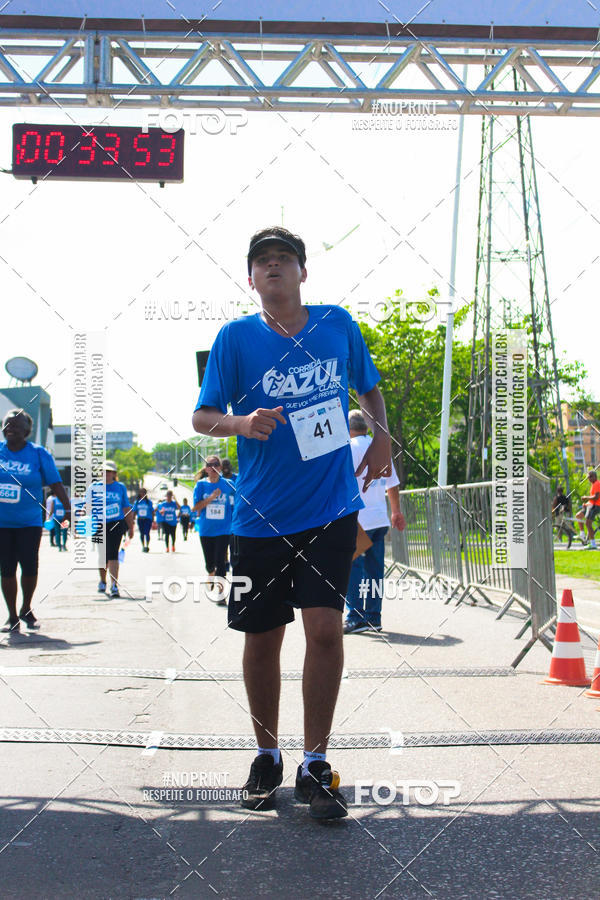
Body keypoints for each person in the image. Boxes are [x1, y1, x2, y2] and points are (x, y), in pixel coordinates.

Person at [192, 226, 391, 820]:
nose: (273, 268)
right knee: (263, 639)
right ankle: (266, 755)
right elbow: (203, 417)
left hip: (329, 510)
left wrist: (381, 441)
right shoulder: (234, 338)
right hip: (259, 517)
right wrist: (242, 423)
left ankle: (315, 763)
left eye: (284, 260)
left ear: (302, 272)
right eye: (262, 262)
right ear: (250, 277)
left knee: (327, 631)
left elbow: (371, 391)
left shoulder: (336, 325)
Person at [0, 409, 71, 633]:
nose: (10, 428)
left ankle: (26, 607)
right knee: (7, 568)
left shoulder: (39, 454)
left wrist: (67, 507)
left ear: (27, 431)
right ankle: (12, 616)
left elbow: (56, 483)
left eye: (16, 425)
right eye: (7, 424)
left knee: (29, 565)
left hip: (29, 522)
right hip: (2, 522)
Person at [344, 410, 405, 633]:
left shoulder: (348, 448)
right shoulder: (381, 448)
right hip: (379, 518)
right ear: (367, 428)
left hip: (358, 520)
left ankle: (356, 616)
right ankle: (374, 617)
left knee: (353, 569)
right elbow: (392, 483)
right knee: (375, 571)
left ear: (348, 428)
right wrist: (396, 512)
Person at [87, 460, 134, 598]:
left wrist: (131, 527)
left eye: (109, 471)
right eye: (104, 471)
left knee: (113, 554)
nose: (106, 474)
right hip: (98, 524)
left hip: (116, 523)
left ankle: (114, 585)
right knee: (103, 556)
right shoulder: (93, 487)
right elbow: (87, 507)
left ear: (114, 473)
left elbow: (126, 507)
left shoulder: (120, 487)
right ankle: (102, 581)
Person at [192, 456, 235, 604]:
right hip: (206, 530)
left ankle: (221, 594)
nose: (213, 467)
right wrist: (211, 497)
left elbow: (236, 506)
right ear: (206, 469)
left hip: (224, 530)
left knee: (220, 561)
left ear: (221, 467)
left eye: (217, 464)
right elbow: (195, 508)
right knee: (209, 563)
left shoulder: (229, 485)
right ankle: (210, 572)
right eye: (210, 465)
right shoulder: (201, 485)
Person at [575, 469, 600, 550]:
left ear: (595, 476)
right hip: (591, 505)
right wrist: (586, 503)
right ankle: (582, 534)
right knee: (578, 516)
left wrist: (586, 497)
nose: (589, 479)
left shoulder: (597, 484)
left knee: (588, 524)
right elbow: (593, 498)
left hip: (595, 506)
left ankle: (592, 544)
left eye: (590, 477)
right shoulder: (593, 484)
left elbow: (596, 497)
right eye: (588, 477)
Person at [552, 485, 574, 550]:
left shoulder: (556, 498)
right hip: (566, 513)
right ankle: (569, 538)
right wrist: (569, 512)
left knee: (559, 527)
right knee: (567, 527)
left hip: (558, 514)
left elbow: (553, 506)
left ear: (557, 491)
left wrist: (552, 513)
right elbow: (569, 505)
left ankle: (560, 539)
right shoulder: (566, 497)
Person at [134, 488, 154, 552]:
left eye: (144, 492)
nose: (142, 494)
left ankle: (147, 546)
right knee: (142, 533)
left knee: (147, 532)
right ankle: (143, 546)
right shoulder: (137, 502)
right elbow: (134, 510)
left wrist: (153, 520)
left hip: (147, 519)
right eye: (141, 492)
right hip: (140, 519)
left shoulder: (149, 502)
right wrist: (132, 519)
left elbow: (152, 511)